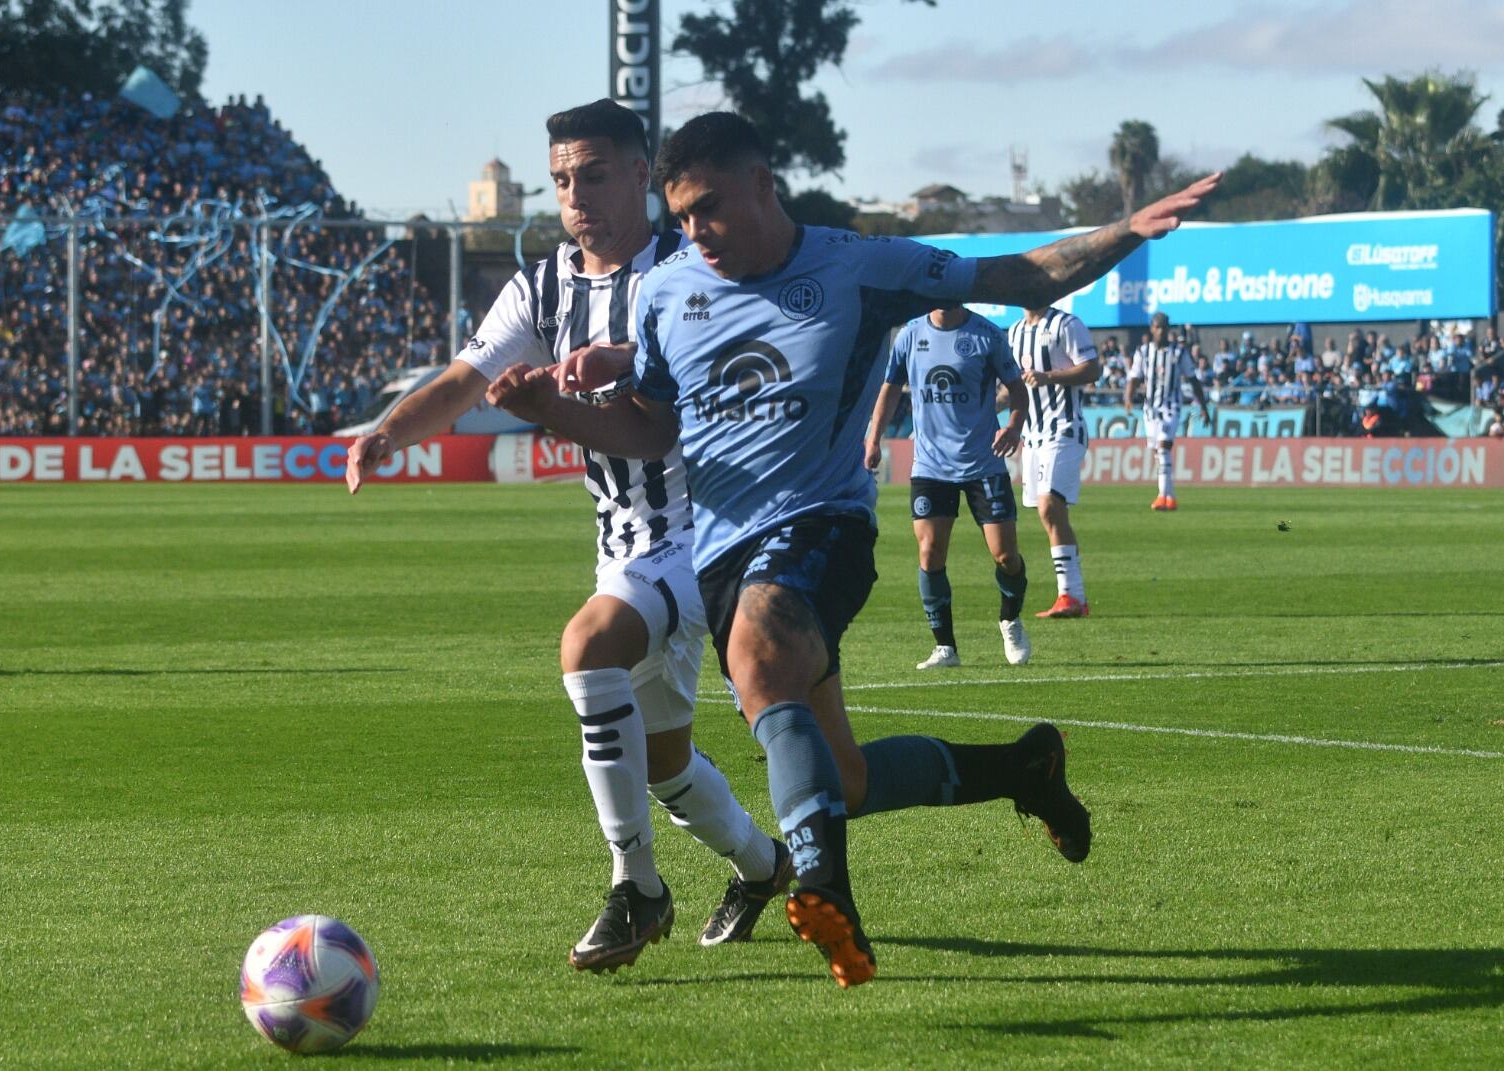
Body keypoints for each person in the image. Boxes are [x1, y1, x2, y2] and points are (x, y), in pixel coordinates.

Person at [487, 111, 1217, 988]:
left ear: (764, 183)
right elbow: (650, 427)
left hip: (822, 526)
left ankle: (825, 889)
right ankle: (1027, 767)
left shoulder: (859, 265)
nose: (694, 231)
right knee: (847, 778)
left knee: (760, 651)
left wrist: (1123, 234)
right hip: (722, 557)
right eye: (680, 216)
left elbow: (1017, 274)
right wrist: (551, 411)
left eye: (710, 206)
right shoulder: (668, 293)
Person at [345, 100, 789, 974]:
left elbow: (659, 430)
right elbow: (464, 378)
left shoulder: (687, 272)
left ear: (639, 176)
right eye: (559, 180)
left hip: (705, 534)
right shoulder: (541, 286)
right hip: (623, 541)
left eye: (591, 174)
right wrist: (386, 433)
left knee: (587, 646)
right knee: (663, 763)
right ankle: (766, 865)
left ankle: (638, 887)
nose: (573, 196)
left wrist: (561, 401)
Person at [864, 305, 1032, 670]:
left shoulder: (986, 335)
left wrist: (1015, 427)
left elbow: (1019, 390)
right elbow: (890, 389)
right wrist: (873, 438)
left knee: (1005, 556)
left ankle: (1010, 619)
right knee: (930, 552)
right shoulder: (909, 335)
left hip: (983, 461)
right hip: (931, 465)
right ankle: (945, 648)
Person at [1008, 305, 1100, 618]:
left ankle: (1071, 595)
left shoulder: (1067, 324)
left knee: (1050, 505)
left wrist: (1049, 377)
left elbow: (1092, 369)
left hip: (1065, 428)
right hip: (1033, 436)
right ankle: (1072, 596)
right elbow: (1015, 386)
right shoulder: (1015, 332)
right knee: (1050, 515)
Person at [1125, 311, 1209, 511]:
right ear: (1152, 328)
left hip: (1171, 406)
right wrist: (1128, 398)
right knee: (1157, 452)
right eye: (1157, 327)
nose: (1161, 331)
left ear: (1168, 329)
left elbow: (1192, 379)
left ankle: (1164, 496)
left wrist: (1203, 405)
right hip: (1150, 408)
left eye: (1164, 327)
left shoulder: (1179, 352)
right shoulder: (1143, 352)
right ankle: (1168, 495)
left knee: (1163, 447)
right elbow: (1134, 378)